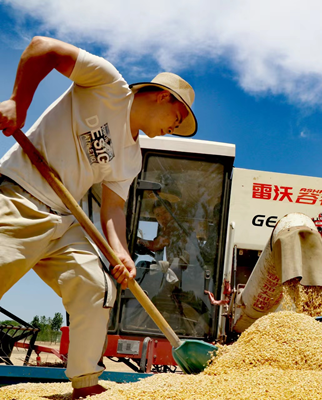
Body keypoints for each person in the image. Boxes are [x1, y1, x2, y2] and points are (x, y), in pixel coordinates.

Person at [0, 36, 197, 399]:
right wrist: (18, 103)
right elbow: (43, 48)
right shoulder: (107, 84)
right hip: (19, 197)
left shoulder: (132, 157)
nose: (175, 127)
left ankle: (86, 384)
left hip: (63, 221)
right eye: (178, 118)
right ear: (162, 96)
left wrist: (119, 253)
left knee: (95, 285)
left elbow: (113, 208)